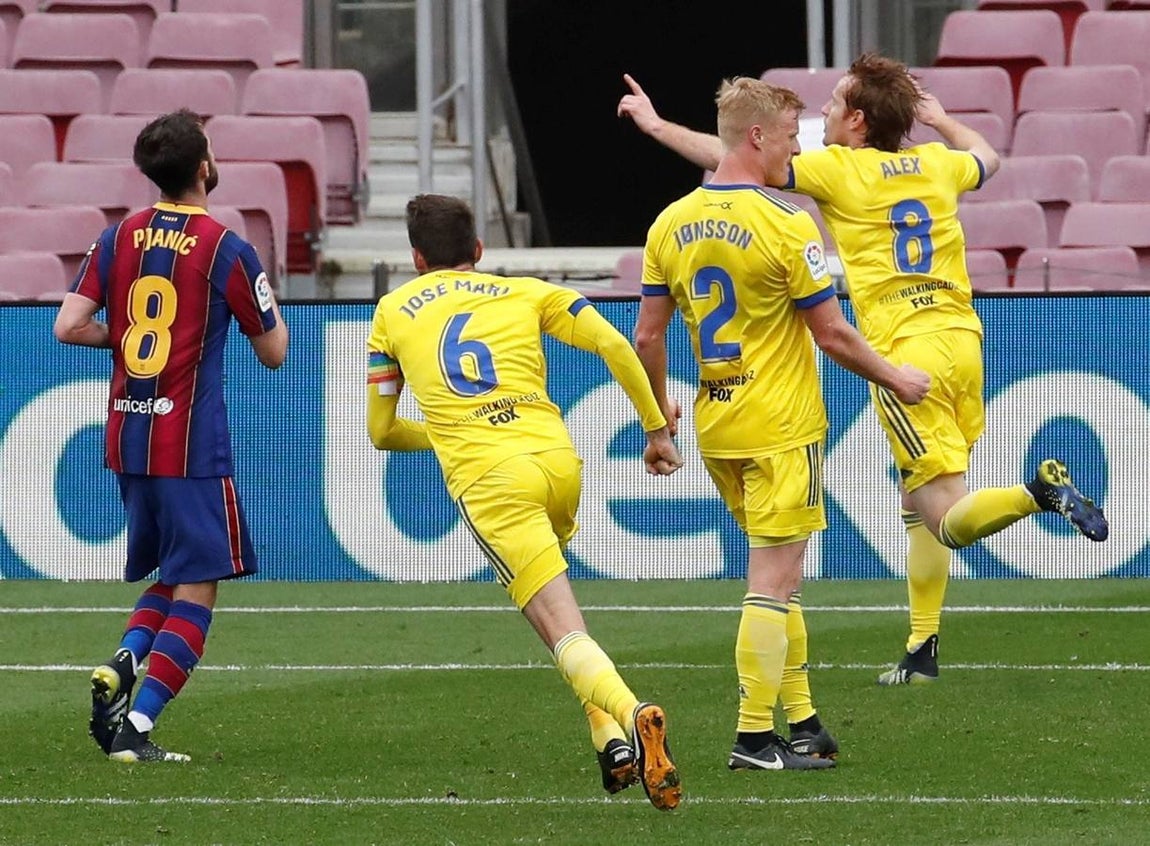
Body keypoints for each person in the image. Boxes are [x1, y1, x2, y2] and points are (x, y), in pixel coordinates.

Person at [619, 54, 1109, 687]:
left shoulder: (836, 169)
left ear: (856, 120)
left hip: (904, 352)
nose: (821, 113)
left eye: (833, 105)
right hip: (963, 339)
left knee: (944, 514)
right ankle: (922, 643)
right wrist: (941, 121)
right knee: (916, 491)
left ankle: (1038, 494)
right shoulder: (937, 163)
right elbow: (988, 157)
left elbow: (736, 157)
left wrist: (657, 127)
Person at [633, 77, 931, 770]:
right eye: (793, 136)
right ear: (758, 136)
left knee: (781, 573)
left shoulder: (669, 222)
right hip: (782, 424)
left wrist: (656, 419)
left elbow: (647, 338)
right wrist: (896, 376)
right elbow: (831, 335)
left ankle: (802, 722)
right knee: (772, 581)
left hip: (719, 423)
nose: (798, 148)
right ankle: (754, 738)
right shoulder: (786, 222)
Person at [366, 193, 685, 811]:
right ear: (480, 252)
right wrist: (656, 430)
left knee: (559, 627)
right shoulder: (526, 291)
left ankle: (632, 712)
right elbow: (619, 347)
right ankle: (609, 741)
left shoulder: (391, 310)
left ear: (415, 257)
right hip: (558, 464)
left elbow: (381, 432)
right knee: (560, 617)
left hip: (494, 480)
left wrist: (453, 430)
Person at [54, 109, 289, 762]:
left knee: (177, 570)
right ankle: (138, 727)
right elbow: (275, 352)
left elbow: (68, 326)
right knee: (202, 579)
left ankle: (124, 664)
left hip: (128, 435)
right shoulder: (225, 247)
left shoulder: (117, 236)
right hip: (188, 440)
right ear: (202, 167)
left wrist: (125, 340)